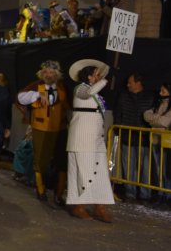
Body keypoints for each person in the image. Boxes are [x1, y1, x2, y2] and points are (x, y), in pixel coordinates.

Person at [66, 59, 115, 222]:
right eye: (95, 74)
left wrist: (104, 76)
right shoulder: (80, 89)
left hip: (95, 139)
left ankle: (99, 205)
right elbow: (88, 93)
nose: (98, 77)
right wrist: (104, 80)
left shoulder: (95, 94)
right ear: (88, 76)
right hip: (82, 139)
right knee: (83, 173)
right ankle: (79, 206)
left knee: (100, 172)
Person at [17, 60, 69, 205]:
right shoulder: (35, 86)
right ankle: (41, 190)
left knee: (62, 161)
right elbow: (20, 98)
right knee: (40, 161)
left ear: (57, 74)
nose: (48, 74)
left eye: (51, 72)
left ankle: (59, 194)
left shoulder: (63, 88)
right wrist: (38, 95)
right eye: (45, 72)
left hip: (60, 128)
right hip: (40, 128)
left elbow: (65, 104)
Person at [113, 72, 154, 202]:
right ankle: (130, 193)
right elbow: (117, 113)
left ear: (138, 83)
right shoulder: (123, 96)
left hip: (144, 138)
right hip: (127, 137)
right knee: (128, 167)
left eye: (130, 82)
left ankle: (145, 194)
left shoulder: (150, 97)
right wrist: (119, 129)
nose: (127, 85)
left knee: (145, 168)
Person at [143, 83, 171, 206]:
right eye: (160, 91)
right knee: (158, 169)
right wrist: (157, 119)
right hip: (156, 139)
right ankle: (160, 193)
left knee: (168, 170)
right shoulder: (158, 103)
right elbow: (145, 115)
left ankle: (167, 195)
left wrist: (154, 119)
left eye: (163, 91)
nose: (160, 94)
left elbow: (165, 122)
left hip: (168, 142)